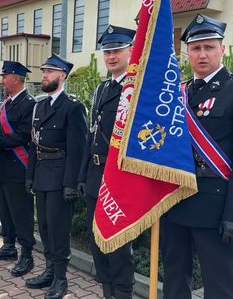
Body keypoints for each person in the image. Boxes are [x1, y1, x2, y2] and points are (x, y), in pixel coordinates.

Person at [161, 14, 233, 299]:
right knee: (174, 280)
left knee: (219, 287)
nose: (202, 54)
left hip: (217, 210)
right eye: (196, 48)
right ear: (187, 54)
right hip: (176, 203)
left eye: (209, 47)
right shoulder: (178, 93)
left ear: (222, 49)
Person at [77, 25, 136, 299]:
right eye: (108, 51)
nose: (112, 56)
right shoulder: (102, 89)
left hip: (120, 178)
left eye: (117, 50)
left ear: (131, 51)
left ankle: (122, 293)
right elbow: (92, 135)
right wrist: (81, 176)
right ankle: (107, 291)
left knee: (118, 243)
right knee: (97, 241)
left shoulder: (134, 88)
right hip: (95, 175)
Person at [25, 54, 87, 299]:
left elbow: (77, 149)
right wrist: (30, 174)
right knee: (46, 228)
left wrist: (71, 183)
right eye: (44, 71)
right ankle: (49, 270)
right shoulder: (40, 106)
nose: (45, 75)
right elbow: (34, 144)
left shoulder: (73, 107)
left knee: (59, 231)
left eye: (50, 71)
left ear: (62, 75)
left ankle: (61, 279)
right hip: (41, 175)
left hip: (61, 178)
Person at [0, 62, 37, 277]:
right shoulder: (6, 103)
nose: (2, 80)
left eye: (5, 76)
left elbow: (22, 136)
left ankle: (26, 254)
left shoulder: (29, 104)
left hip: (18, 169)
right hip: (2, 168)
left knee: (21, 213)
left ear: (16, 78)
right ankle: (8, 246)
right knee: (5, 210)